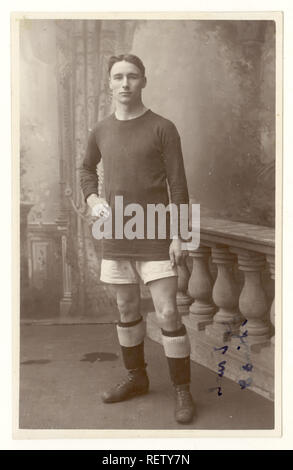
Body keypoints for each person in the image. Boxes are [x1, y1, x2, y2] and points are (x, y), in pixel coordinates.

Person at [80, 54, 195, 424]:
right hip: (117, 231)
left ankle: (182, 390)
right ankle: (137, 378)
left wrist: (180, 235)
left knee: (168, 312)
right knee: (127, 310)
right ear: (109, 83)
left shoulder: (163, 127)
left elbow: (178, 184)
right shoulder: (100, 130)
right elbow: (85, 168)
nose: (125, 83)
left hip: (158, 230)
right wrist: (93, 197)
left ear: (143, 81)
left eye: (132, 76)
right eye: (118, 77)